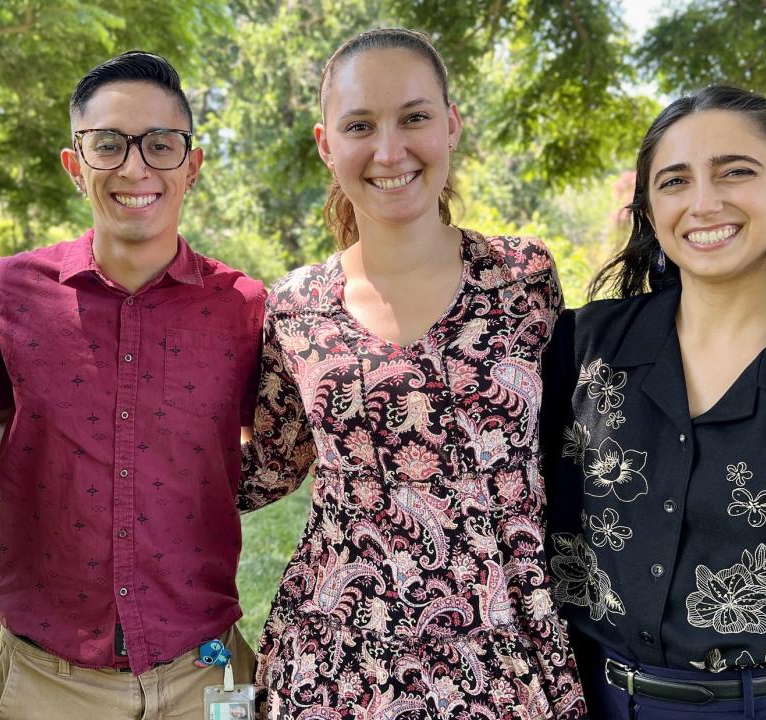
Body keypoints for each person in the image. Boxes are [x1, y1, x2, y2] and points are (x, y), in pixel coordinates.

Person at [238, 28, 586, 719]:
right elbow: (271, 469)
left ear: (451, 126)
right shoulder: (297, 306)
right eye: (360, 125)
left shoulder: (523, 279)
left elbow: (568, 447)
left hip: (503, 651)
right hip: (339, 659)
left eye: (415, 117)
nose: (390, 150)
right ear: (325, 144)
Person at [542, 85, 766, 718]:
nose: (704, 203)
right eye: (674, 182)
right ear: (649, 212)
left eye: (735, 171)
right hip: (591, 700)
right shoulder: (580, 347)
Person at [0, 51, 264, 719]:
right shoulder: (11, 291)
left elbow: (276, 446)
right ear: (76, 164)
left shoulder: (243, 306)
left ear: (192, 165)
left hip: (207, 670)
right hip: (52, 682)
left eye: (161, 145)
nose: (135, 168)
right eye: (109, 145)